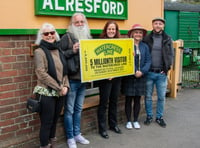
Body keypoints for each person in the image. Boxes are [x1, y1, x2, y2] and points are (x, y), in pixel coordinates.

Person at [33, 23, 69, 148]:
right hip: (46, 92)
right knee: (47, 123)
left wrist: (66, 86)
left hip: (60, 92)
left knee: (54, 121)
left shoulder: (58, 50)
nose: (50, 35)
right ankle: (44, 145)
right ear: (42, 36)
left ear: (56, 34)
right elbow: (41, 73)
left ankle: (52, 144)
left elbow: (64, 71)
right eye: (46, 33)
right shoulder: (39, 52)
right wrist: (59, 87)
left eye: (52, 33)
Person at [60, 13, 92, 148]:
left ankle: (77, 133)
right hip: (72, 80)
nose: (79, 24)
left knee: (78, 109)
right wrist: (72, 51)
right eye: (77, 22)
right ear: (72, 24)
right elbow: (59, 57)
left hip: (84, 80)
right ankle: (70, 137)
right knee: (69, 110)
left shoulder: (88, 37)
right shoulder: (66, 37)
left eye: (81, 22)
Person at [143, 17, 174, 128]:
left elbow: (171, 55)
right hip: (149, 73)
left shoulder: (167, 38)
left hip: (161, 73)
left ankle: (159, 117)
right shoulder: (146, 38)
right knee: (148, 96)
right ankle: (149, 116)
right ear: (152, 25)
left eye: (160, 24)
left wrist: (167, 69)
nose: (157, 25)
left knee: (161, 97)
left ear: (163, 26)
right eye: (156, 23)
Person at [122, 24, 151, 129]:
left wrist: (142, 72)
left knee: (138, 99)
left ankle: (135, 120)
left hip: (141, 77)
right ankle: (128, 121)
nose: (138, 34)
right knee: (128, 99)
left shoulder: (145, 46)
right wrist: (134, 71)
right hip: (129, 76)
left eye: (140, 32)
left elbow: (148, 61)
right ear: (132, 34)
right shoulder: (127, 45)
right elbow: (125, 59)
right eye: (136, 32)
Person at [97, 21, 122, 139]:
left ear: (116, 31)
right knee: (103, 103)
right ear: (105, 30)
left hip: (117, 77)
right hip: (104, 79)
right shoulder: (99, 42)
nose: (111, 31)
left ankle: (113, 124)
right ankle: (102, 128)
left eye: (113, 29)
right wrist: (106, 74)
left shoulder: (121, 43)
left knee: (114, 101)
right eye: (109, 29)